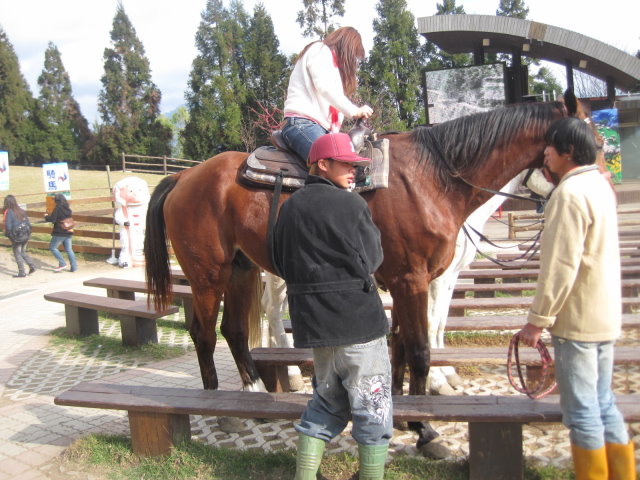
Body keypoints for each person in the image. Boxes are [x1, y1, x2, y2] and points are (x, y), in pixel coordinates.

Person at [517, 117, 636, 479]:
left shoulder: (568, 194)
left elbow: (560, 267)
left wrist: (537, 321)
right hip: (604, 317)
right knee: (605, 403)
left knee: (583, 412)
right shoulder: (600, 185)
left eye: (550, 147)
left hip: (577, 321)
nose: (545, 154)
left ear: (567, 151)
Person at [273, 133, 392, 480]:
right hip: (359, 324)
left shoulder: (289, 207)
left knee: (326, 403)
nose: (354, 171)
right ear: (323, 164)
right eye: (346, 164)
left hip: (316, 327)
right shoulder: (352, 205)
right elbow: (373, 258)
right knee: (373, 406)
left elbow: (279, 261)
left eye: (355, 166)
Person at [281, 26, 373, 165]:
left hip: (319, 128)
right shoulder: (320, 50)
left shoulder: (332, 67)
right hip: (302, 124)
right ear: (347, 48)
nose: (352, 62)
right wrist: (354, 111)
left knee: (346, 163)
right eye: (353, 55)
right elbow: (325, 88)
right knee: (333, 165)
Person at [3, 195, 36, 278]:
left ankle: (22, 272)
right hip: (25, 234)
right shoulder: (21, 210)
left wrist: (8, 235)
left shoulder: (9, 212)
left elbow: (8, 226)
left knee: (17, 253)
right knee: (22, 252)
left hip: (17, 236)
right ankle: (32, 266)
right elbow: (28, 223)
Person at [45, 193, 78, 272]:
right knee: (69, 250)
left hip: (60, 231)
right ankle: (74, 267)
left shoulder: (58, 208)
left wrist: (46, 216)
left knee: (52, 248)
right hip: (68, 230)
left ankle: (62, 263)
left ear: (57, 201)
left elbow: (53, 219)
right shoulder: (68, 208)